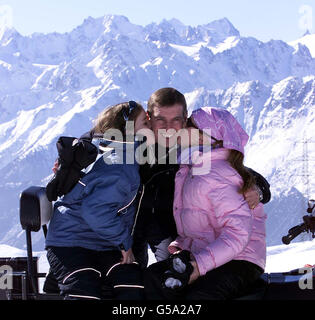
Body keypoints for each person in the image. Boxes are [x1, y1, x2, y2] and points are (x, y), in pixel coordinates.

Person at [132, 88, 271, 269]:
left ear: (185, 118)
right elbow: (101, 138)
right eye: (160, 120)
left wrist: (256, 189)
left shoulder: (193, 149)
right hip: (132, 225)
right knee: (131, 277)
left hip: (171, 228)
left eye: (176, 120)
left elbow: (235, 171)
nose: (168, 127)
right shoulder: (132, 147)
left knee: (172, 277)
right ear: (149, 119)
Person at [144, 107, 266, 300]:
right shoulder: (191, 168)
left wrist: (198, 267)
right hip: (207, 254)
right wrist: (182, 247)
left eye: (189, 125)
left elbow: (237, 235)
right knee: (152, 280)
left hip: (240, 259)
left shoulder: (219, 173)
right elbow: (200, 221)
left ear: (204, 137)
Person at [45, 101, 150, 300]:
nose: (150, 127)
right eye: (145, 123)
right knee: (83, 290)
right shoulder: (120, 167)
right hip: (71, 242)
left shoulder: (117, 153)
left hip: (101, 243)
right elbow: (95, 212)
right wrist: (124, 244)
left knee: (130, 282)